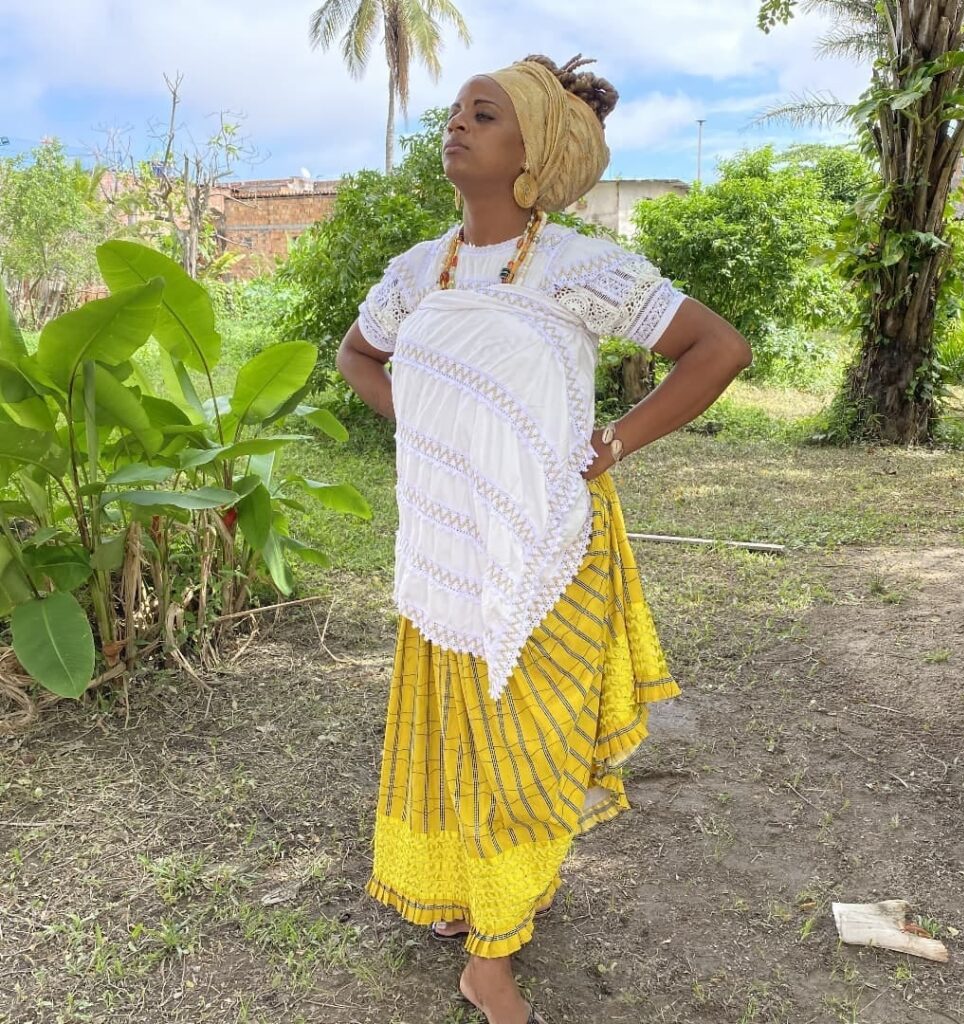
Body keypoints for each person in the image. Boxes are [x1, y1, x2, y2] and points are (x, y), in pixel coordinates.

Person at [337, 53, 751, 1024]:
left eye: (484, 115)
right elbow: (357, 356)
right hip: (447, 549)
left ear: (537, 154)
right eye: (456, 111)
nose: (457, 124)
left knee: (531, 743)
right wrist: (431, 426)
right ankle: (475, 893)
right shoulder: (416, 271)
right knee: (459, 734)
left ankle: (492, 958)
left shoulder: (579, 266)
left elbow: (717, 349)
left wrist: (618, 441)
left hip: (548, 548)